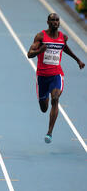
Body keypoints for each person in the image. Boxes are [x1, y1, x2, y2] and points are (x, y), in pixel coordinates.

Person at [27, 13, 84, 143]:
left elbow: (64, 48)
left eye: (57, 20)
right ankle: (44, 97)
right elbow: (29, 54)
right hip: (42, 76)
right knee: (44, 108)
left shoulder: (63, 37)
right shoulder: (40, 36)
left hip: (56, 75)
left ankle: (49, 132)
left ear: (59, 22)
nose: (55, 22)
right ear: (47, 22)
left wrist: (78, 60)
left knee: (56, 98)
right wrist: (39, 51)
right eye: (52, 20)